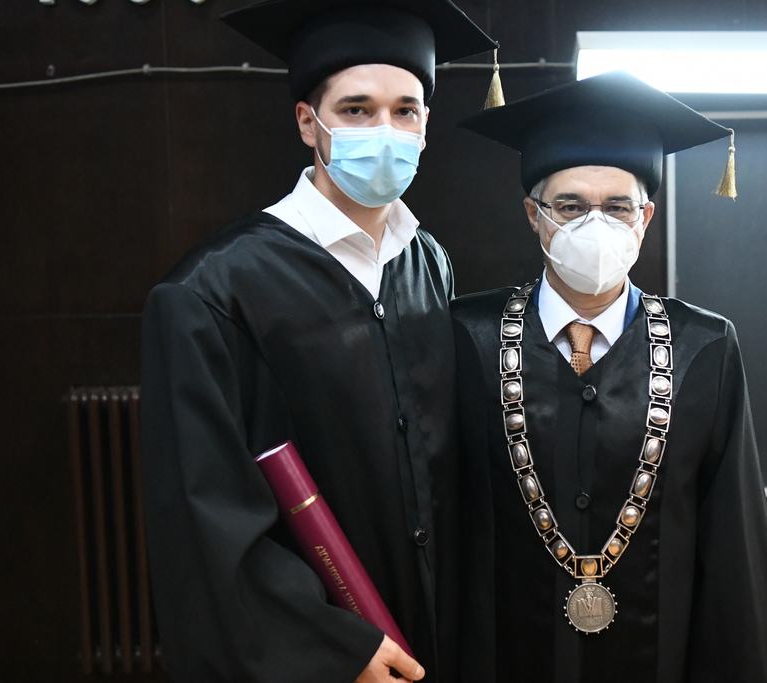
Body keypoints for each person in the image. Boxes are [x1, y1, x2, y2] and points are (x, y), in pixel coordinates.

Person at [139, 1, 496, 681]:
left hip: (430, 632)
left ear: (426, 125)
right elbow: (203, 518)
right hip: (322, 649)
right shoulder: (213, 290)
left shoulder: (427, 262)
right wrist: (334, 646)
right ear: (308, 122)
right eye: (357, 110)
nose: (384, 131)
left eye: (405, 111)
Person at [451, 70, 767, 683]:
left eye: (617, 207)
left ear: (646, 218)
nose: (595, 224)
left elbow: (734, 544)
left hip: (659, 657)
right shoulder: (468, 338)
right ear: (533, 214)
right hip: (504, 656)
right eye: (569, 206)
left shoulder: (703, 348)